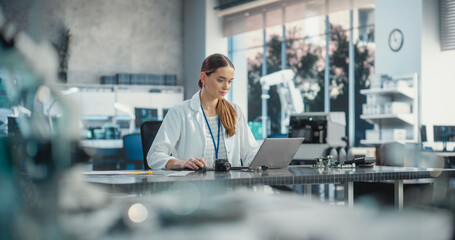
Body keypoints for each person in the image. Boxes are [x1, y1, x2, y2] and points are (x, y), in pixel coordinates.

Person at [147, 53, 259, 170]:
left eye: (230, 81)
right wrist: (181, 163)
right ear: (203, 77)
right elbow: (154, 156)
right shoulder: (180, 112)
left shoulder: (235, 111)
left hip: (230, 186)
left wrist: (267, 160)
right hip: (192, 185)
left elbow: (250, 152)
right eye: (220, 80)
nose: (226, 86)